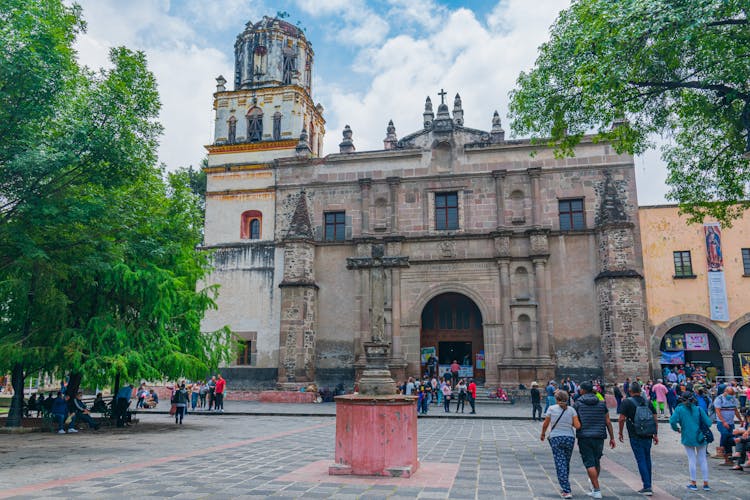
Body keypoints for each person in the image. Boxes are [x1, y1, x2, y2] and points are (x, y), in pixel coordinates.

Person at [574, 381, 615, 499]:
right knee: (596, 461)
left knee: (589, 463)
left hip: (585, 437)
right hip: (599, 436)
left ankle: (596, 490)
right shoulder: (602, 404)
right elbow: (608, 421)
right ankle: (593, 485)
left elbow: (575, 421)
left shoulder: (578, 404)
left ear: (582, 390)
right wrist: (612, 437)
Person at [618, 382, 658, 496]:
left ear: (630, 391)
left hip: (635, 434)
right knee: (647, 458)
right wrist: (656, 434)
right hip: (648, 434)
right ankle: (648, 483)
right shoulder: (648, 402)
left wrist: (620, 432)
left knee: (640, 459)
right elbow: (655, 418)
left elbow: (621, 419)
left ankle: (647, 486)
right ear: (640, 391)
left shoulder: (626, 402)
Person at [541, 390, 580, 499]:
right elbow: (577, 426)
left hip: (556, 438)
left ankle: (566, 490)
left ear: (556, 399)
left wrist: (543, 434)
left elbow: (545, 424)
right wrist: (569, 421)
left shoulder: (551, 409)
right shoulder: (571, 410)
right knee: (565, 462)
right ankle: (565, 485)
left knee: (560, 463)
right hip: (569, 438)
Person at [669, 392, 712, 491]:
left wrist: (677, 429)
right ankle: (706, 483)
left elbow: (672, 421)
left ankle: (693, 482)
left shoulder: (679, 409)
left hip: (687, 436)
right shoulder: (699, 409)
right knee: (703, 459)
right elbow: (709, 423)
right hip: (700, 436)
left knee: (691, 459)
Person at [713, 386, 742, 465]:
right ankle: (721, 449)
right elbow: (718, 412)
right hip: (721, 422)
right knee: (725, 434)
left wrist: (740, 420)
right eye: (729, 394)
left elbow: (735, 410)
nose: (731, 396)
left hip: (731, 423)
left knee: (730, 439)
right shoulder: (719, 399)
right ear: (725, 392)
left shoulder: (733, 399)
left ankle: (728, 458)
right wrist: (723, 422)